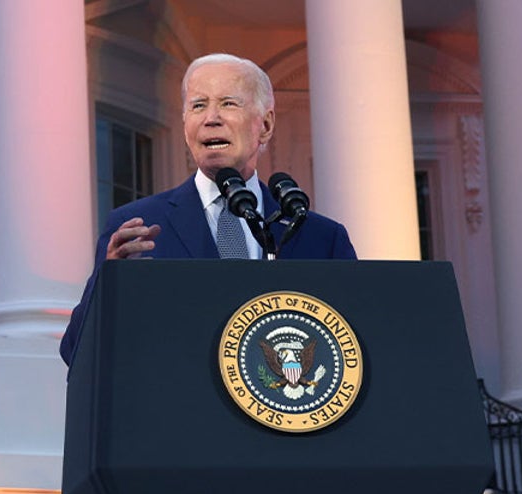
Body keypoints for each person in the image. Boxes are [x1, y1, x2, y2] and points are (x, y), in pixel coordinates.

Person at [60, 53, 357, 366]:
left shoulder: (320, 237)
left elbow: (355, 346)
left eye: (228, 103)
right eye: (198, 105)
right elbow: (76, 352)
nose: (211, 118)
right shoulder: (137, 227)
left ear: (266, 125)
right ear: (186, 124)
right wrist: (110, 283)